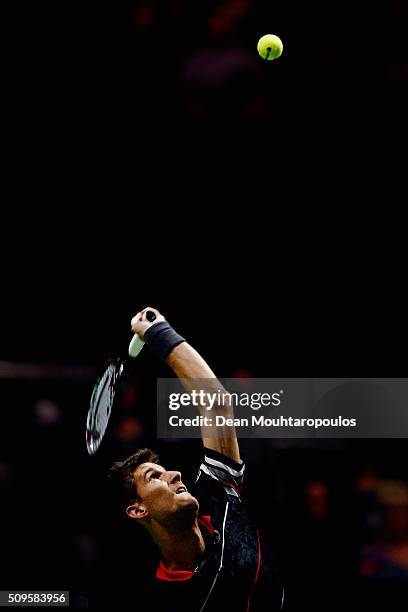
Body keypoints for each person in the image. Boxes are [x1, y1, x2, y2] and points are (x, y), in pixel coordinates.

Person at [109, 307, 284, 611]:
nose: (174, 474)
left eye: (164, 470)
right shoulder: (163, 600)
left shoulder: (218, 496)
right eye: (154, 477)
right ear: (138, 510)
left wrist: (159, 332)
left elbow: (216, 404)